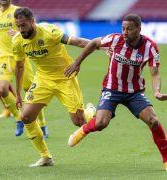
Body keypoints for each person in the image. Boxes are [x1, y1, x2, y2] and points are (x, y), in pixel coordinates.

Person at [65, 14, 167, 171]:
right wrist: (77, 63)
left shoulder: (150, 46)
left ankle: (166, 160)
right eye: (123, 28)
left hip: (134, 92)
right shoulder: (114, 39)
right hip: (112, 89)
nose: (125, 32)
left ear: (139, 29)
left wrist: (157, 91)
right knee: (100, 124)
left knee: (153, 120)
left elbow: (154, 72)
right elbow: (93, 43)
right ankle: (84, 128)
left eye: (129, 29)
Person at [12, 7, 95, 167]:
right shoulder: (17, 41)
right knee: (26, 117)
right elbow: (20, 66)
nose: (21, 30)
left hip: (65, 77)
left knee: (79, 122)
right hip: (43, 79)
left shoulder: (50, 32)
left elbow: (77, 42)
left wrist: (102, 46)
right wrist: (17, 93)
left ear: (32, 21)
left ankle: (89, 110)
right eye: (18, 26)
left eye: (23, 25)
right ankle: (46, 157)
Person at [0, 0, 48, 137]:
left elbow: (30, 31)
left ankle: (43, 124)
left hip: (21, 56)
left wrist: (17, 34)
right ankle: (18, 118)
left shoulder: (19, 11)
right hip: (3, 56)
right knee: (2, 88)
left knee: (30, 91)